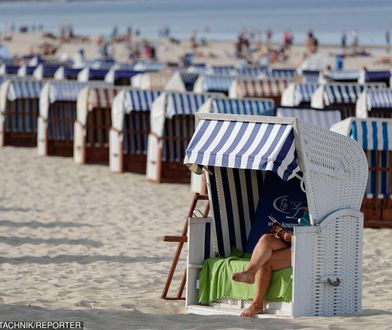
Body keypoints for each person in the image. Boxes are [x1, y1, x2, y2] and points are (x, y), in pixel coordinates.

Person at [232, 226, 292, 317]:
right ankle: (250, 272)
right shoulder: (308, 213)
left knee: (264, 260)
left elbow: (310, 238)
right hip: (295, 243)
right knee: (265, 238)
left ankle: (257, 305)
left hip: (309, 248)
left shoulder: (316, 213)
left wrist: (286, 235)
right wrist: (282, 233)